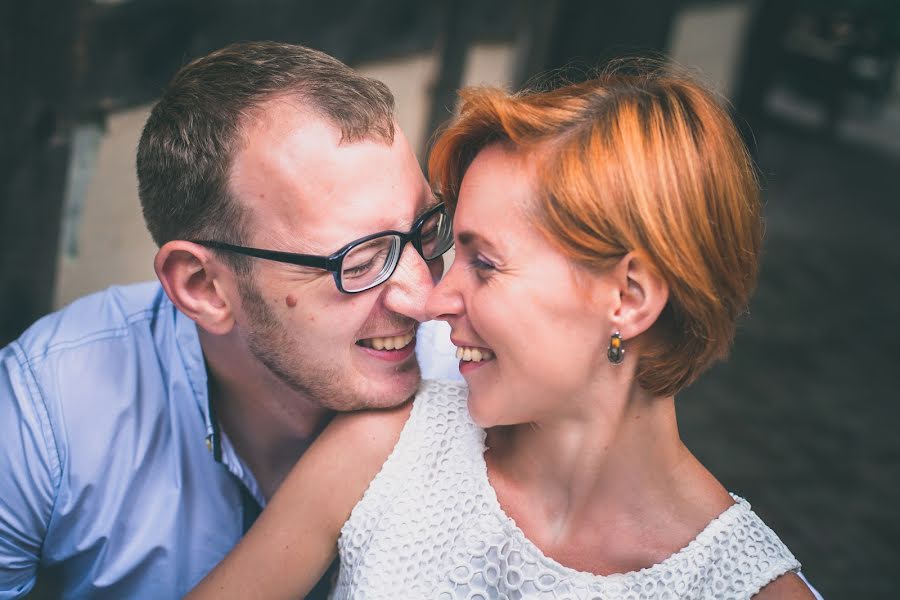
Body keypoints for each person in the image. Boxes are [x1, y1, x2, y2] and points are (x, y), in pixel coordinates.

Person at [187, 64, 819, 599]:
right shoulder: (386, 449)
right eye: (451, 248)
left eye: (484, 263)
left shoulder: (748, 588)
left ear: (627, 298)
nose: (434, 299)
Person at [0, 41, 461, 599]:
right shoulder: (46, 416)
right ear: (204, 287)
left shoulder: (470, 373)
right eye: (360, 262)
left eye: (426, 231)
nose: (425, 296)